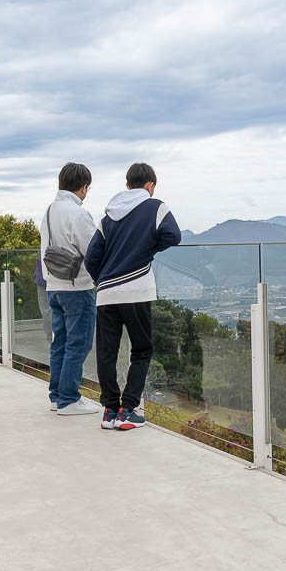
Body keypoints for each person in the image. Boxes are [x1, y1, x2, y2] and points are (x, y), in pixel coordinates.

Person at [84, 163, 181, 430]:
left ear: (128, 185)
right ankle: (128, 411)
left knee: (106, 353)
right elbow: (174, 235)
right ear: (150, 185)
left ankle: (109, 412)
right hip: (137, 289)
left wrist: (101, 280)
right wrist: (147, 250)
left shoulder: (108, 216)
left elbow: (92, 258)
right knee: (141, 349)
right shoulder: (156, 207)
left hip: (106, 293)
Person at [40, 162, 99, 415]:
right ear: (83, 188)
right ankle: (69, 399)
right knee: (79, 343)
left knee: (60, 342)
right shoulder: (78, 214)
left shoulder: (50, 210)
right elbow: (93, 251)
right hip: (77, 287)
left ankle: (56, 396)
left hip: (53, 285)